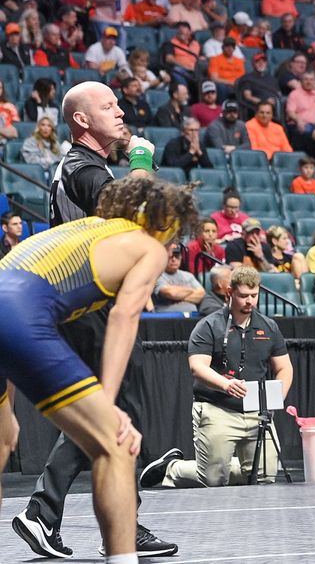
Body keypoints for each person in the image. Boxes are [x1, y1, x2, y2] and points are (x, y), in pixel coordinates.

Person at [3, 176, 195, 561]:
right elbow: (124, 317)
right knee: (117, 444)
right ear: (165, 221)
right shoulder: (147, 247)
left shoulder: (87, 227)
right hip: (19, 311)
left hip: (8, 297)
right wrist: (108, 402)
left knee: (5, 435)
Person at [141, 267, 294, 489]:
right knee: (212, 480)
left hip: (256, 412)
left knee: (265, 476)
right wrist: (226, 384)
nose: (249, 301)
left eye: (254, 295)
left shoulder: (268, 326)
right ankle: (172, 468)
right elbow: (197, 367)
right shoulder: (209, 325)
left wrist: (276, 397)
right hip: (217, 407)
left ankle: (224, 462)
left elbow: (285, 368)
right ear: (230, 292)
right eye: (243, 296)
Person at [152, 244, 206, 313]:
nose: (174, 259)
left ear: (181, 258)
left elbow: (201, 295)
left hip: (192, 316)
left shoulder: (188, 275)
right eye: (170, 257)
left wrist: (177, 297)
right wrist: (192, 291)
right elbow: (171, 293)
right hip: (167, 317)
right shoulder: (157, 275)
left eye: (177, 256)